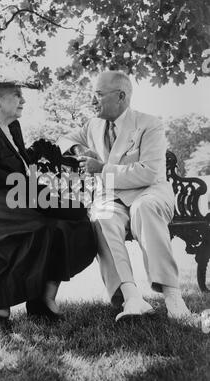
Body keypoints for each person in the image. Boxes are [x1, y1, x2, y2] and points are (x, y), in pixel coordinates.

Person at [0, 76, 97, 330]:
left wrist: (35, 153)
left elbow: (16, 164)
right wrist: (24, 184)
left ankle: (43, 299)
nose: (23, 100)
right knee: (41, 225)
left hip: (13, 195)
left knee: (76, 217)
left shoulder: (13, 129)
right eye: (16, 95)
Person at [58, 70, 191, 322]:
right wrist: (80, 148)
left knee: (144, 208)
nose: (92, 100)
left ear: (120, 96)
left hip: (149, 193)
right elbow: (63, 139)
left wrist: (102, 169)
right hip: (112, 197)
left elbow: (149, 172)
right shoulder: (93, 125)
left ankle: (173, 296)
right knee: (100, 216)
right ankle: (131, 298)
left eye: (98, 94)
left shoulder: (149, 124)